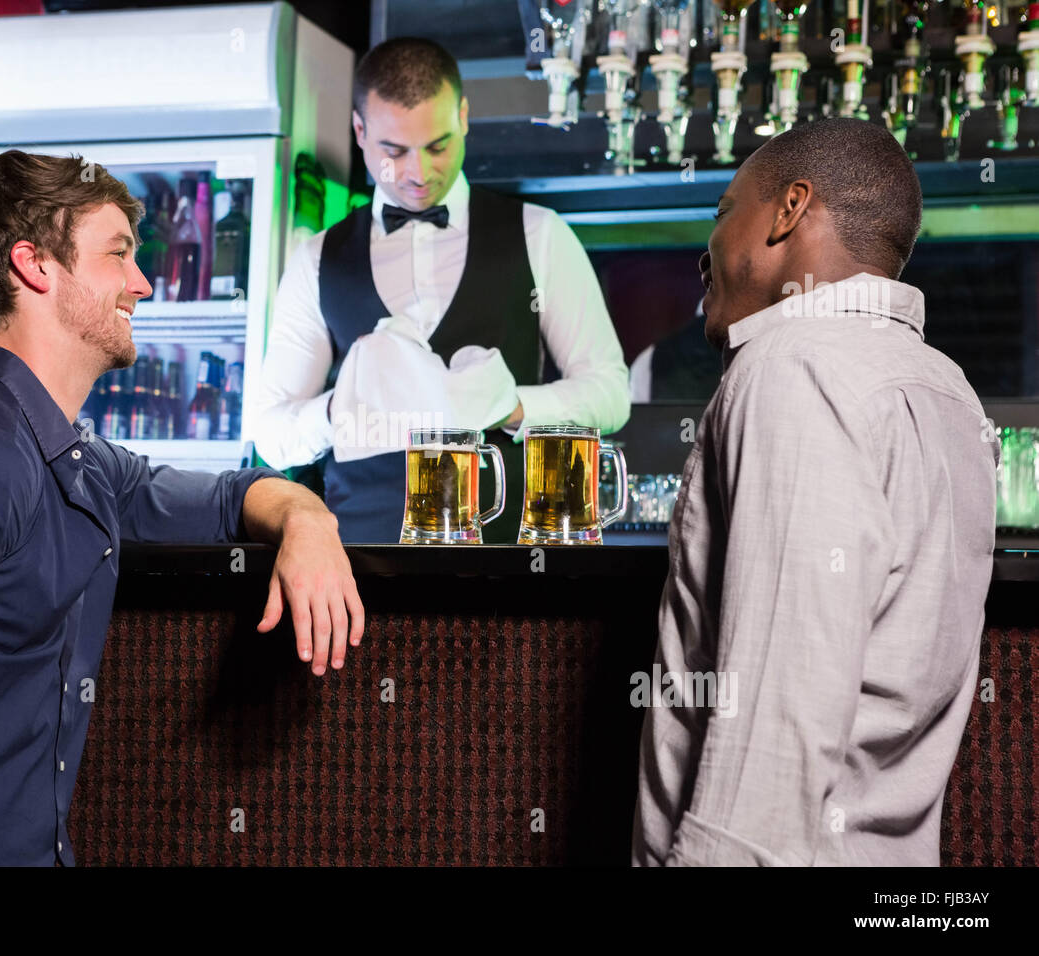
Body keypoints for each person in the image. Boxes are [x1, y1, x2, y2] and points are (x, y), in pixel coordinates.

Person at [0, 151, 365, 866]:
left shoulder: (78, 461)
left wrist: (307, 519)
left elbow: (228, 494)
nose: (143, 284)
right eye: (118, 255)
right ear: (35, 266)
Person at [632, 118, 999, 866]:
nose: (706, 252)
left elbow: (770, 744)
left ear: (789, 210)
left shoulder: (793, 369)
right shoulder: (949, 392)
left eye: (723, 211)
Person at [251, 37, 630, 543]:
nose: (419, 173)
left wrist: (513, 406)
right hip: (355, 566)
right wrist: (340, 409)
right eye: (394, 150)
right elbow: (272, 435)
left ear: (465, 118)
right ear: (360, 131)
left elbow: (611, 395)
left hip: (508, 563)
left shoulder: (542, 235)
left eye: (438, 145)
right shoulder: (317, 259)